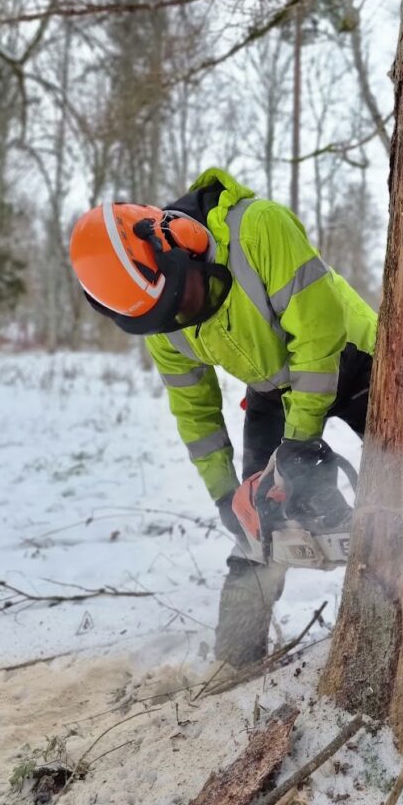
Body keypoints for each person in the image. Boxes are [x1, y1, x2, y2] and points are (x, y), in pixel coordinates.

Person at [69, 167, 376, 667]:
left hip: (353, 356)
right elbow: (195, 410)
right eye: (160, 318)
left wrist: (299, 444)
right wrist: (224, 494)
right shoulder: (162, 322)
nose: (179, 319)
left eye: (182, 300)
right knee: (255, 528)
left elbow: (319, 335)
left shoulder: (259, 229)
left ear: (186, 245)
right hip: (272, 386)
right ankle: (236, 659)